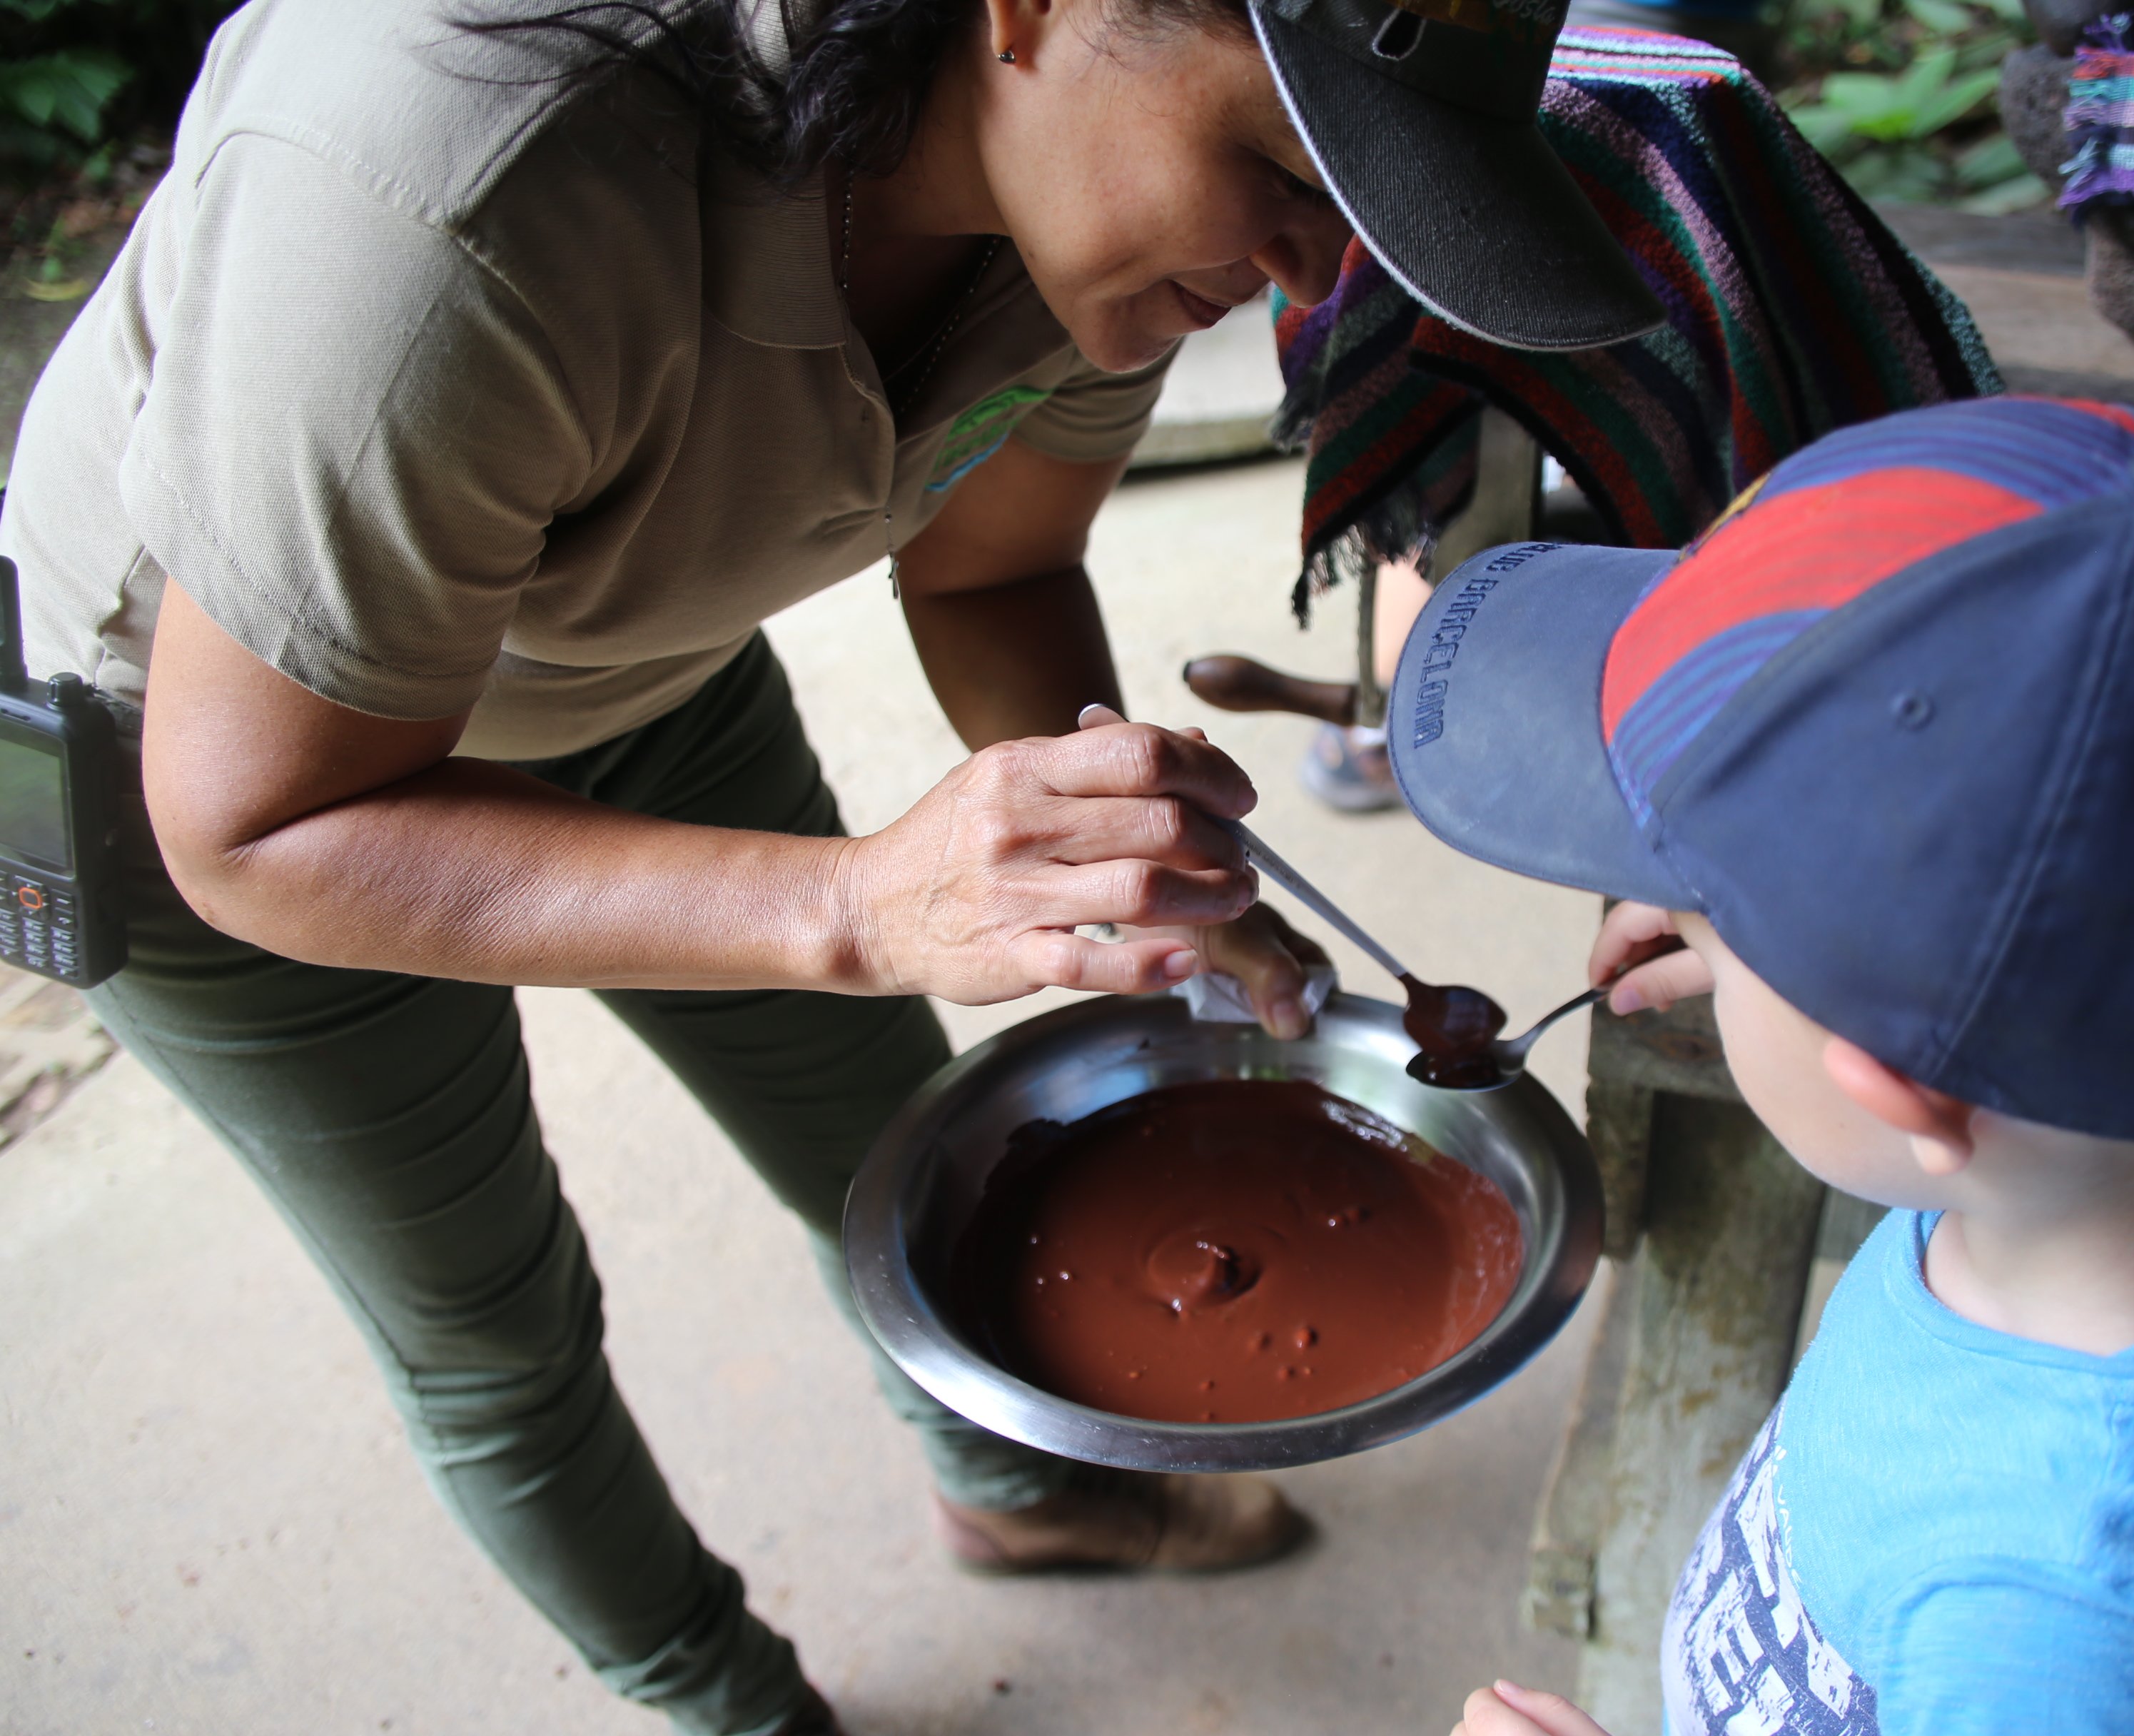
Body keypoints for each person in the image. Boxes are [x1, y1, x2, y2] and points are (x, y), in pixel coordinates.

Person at [0, 0, 1664, 1729]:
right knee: (493, 1319)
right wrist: (851, 902)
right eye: (1274, 166)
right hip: (204, 753)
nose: (1307, 281)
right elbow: (252, 828)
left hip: (613, 647)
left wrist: (1118, 843)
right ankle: (725, 1700)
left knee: (875, 1128)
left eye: (1359, 214)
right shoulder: (458, 172)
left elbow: (989, 572)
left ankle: (1024, 1491)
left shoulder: (1090, 210)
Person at [1377, 397, 2134, 1733]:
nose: (1677, 918)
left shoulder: (2071, 1638)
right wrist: (1798, 963)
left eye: (1703, 910)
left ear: (1902, 1079)